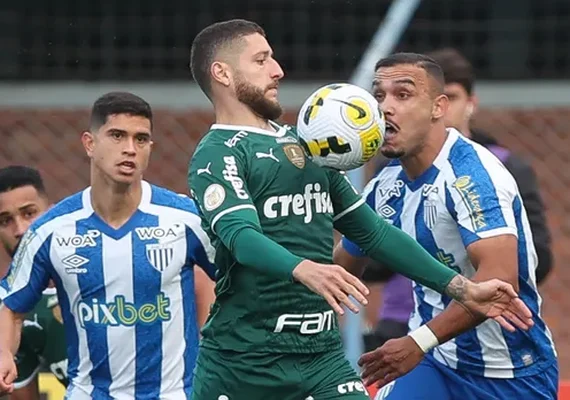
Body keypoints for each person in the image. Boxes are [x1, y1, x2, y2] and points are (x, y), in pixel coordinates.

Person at [187, 19, 532, 400]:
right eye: (261, 60)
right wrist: (303, 268)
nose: (277, 70)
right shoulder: (218, 153)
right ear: (222, 73)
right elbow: (242, 238)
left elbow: (372, 232)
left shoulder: (305, 145)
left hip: (321, 357)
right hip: (244, 360)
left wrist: (459, 287)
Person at [334, 53, 558, 400]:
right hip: (434, 362)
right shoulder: (386, 183)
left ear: (438, 107)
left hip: (510, 370)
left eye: (402, 95)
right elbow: (340, 270)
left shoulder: (472, 176)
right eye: (379, 95)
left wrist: (417, 341)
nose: (385, 108)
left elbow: (498, 285)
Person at [0, 92, 217, 399]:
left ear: (150, 149)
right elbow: (11, 305)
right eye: (117, 136)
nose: (130, 149)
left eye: (141, 139)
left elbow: (239, 282)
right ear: (89, 143)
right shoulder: (50, 231)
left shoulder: (185, 218)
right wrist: (3, 354)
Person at [426, 47, 553, 285]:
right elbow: (372, 262)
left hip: (486, 302)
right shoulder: (395, 168)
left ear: (471, 103)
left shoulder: (506, 165)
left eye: (451, 97)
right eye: (433, 100)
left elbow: (540, 258)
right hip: (404, 312)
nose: (441, 109)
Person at [0, 166, 68, 400]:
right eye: (5, 220)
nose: (20, 230)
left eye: (29, 214)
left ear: (52, 214)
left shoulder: (99, 272)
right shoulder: (9, 311)